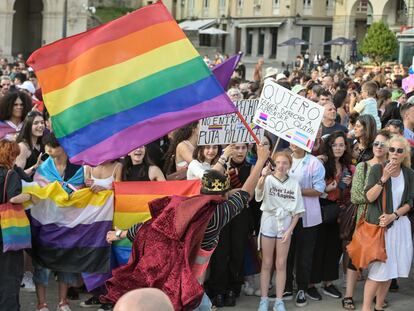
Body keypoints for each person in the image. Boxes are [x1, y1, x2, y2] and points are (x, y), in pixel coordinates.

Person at [100, 145, 270, 310]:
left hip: (167, 277)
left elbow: (150, 227)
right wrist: (261, 159)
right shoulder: (218, 215)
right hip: (184, 288)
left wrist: (121, 233)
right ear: (225, 195)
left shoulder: (183, 206)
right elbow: (245, 194)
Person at [361, 135, 414, 311]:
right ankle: (366, 308)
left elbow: (411, 201)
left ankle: (379, 306)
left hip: (399, 226)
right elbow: (368, 197)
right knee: (378, 273)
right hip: (382, 228)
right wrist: (383, 178)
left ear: (405, 154)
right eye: (392, 149)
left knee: (391, 271)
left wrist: (395, 215)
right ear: (387, 151)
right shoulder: (378, 169)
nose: (395, 153)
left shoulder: (409, 173)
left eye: (399, 151)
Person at [33, 132, 84, 311]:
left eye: (53, 146)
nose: (48, 150)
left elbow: (81, 190)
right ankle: (42, 304)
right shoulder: (44, 168)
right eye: (47, 146)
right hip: (47, 223)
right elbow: (37, 192)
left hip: (69, 223)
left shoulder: (78, 168)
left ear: (63, 147)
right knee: (43, 264)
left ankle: (63, 302)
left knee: (67, 262)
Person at [343, 130, 391, 310]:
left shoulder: (392, 167)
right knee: (356, 258)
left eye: (383, 144)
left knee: (380, 258)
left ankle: (376, 298)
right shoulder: (363, 166)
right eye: (376, 143)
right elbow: (356, 196)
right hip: (364, 219)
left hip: (385, 220)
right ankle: (348, 296)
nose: (378, 147)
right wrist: (374, 195)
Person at [256, 151, 304, 311]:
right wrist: (262, 177)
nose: (281, 166)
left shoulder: (294, 183)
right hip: (269, 221)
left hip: (285, 223)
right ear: (273, 163)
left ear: (290, 165)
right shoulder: (268, 179)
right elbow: (258, 195)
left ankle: (278, 300)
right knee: (267, 263)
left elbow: (298, 211)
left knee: (281, 264)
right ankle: (264, 299)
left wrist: (289, 230)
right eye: (278, 162)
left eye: (285, 163)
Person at [308, 131, 354, 302]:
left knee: (334, 248)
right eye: (335, 144)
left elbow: (348, 193)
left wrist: (345, 187)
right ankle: (311, 284)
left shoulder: (348, 166)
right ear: (329, 146)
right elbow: (312, 187)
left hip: (338, 210)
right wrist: (327, 192)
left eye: (341, 145)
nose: (338, 148)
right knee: (317, 246)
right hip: (320, 208)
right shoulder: (321, 163)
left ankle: (328, 283)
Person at [207, 143, 254, 307]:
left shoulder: (251, 167)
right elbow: (211, 181)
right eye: (236, 148)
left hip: (241, 215)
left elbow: (249, 195)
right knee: (220, 252)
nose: (240, 151)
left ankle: (233, 288)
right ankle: (218, 290)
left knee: (238, 251)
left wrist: (229, 193)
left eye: (243, 148)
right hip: (221, 214)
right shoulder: (221, 165)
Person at [285, 143, 326, 307]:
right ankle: (286, 287)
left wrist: (295, 189)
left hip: (307, 216)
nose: (293, 144)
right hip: (285, 216)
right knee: (285, 253)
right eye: (291, 140)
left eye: (298, 140)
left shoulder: (314, 162)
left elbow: (319, 189)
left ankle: (302, 288)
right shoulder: (283, 159)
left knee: (305, 254)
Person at [0, 140, 33, 311]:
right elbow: (13, 197)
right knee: (10, 274)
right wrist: (28, 196)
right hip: (7, 230)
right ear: (11, 155)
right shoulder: (10, 174)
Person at [15, 111, 45, 179]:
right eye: (36, 123)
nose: (40, 125)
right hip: (27, 188)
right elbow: (17, 176)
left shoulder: (42, 145)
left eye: (42, 122)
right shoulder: (22, 147)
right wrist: (35, 167)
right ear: (28, 126)